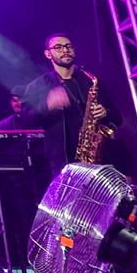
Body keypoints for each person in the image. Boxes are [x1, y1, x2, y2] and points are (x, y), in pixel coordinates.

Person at [18, 33, 121, 178]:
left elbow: (118, 117)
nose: (65, 50)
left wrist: (106, 113)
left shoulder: (91, 81)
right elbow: (25, 120)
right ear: (48, 54)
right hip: (63, 162)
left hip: (99, 159)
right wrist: (47, 106)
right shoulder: (38, 86)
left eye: (68, 46)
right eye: (58, 47)